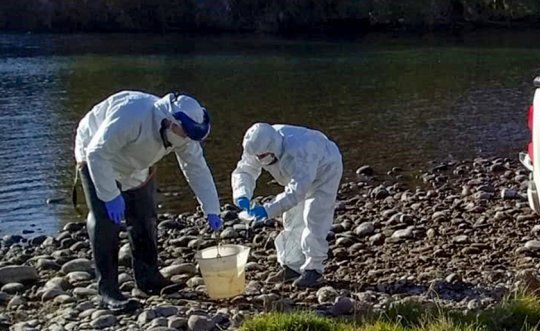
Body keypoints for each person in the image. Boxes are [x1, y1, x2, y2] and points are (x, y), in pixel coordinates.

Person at [74, 91, 222, 312]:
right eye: (186, 134)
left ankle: (148, 278)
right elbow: (97, 152)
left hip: (137, 164)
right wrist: (110, 195)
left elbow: (196, 168)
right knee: (105, 219)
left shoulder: (183, 133)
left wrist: (212, 208)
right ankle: (108, 291)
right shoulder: (131, 115)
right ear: (170, 123)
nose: (189, 141)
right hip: (96, 154)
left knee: (145, 215)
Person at [231, 123, 343, 289]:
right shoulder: (257, 145)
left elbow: (296, 192)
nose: (259, 160)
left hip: (325, 170)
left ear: (273, 148)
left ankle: (314, 270)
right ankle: (292, 266)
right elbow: (244, 171)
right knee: (291, 218)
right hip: (298, 175)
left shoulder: (302, 149)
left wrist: (267, 210)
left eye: (262, 156)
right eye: (257, 156)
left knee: (314, 217)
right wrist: (242, 194)